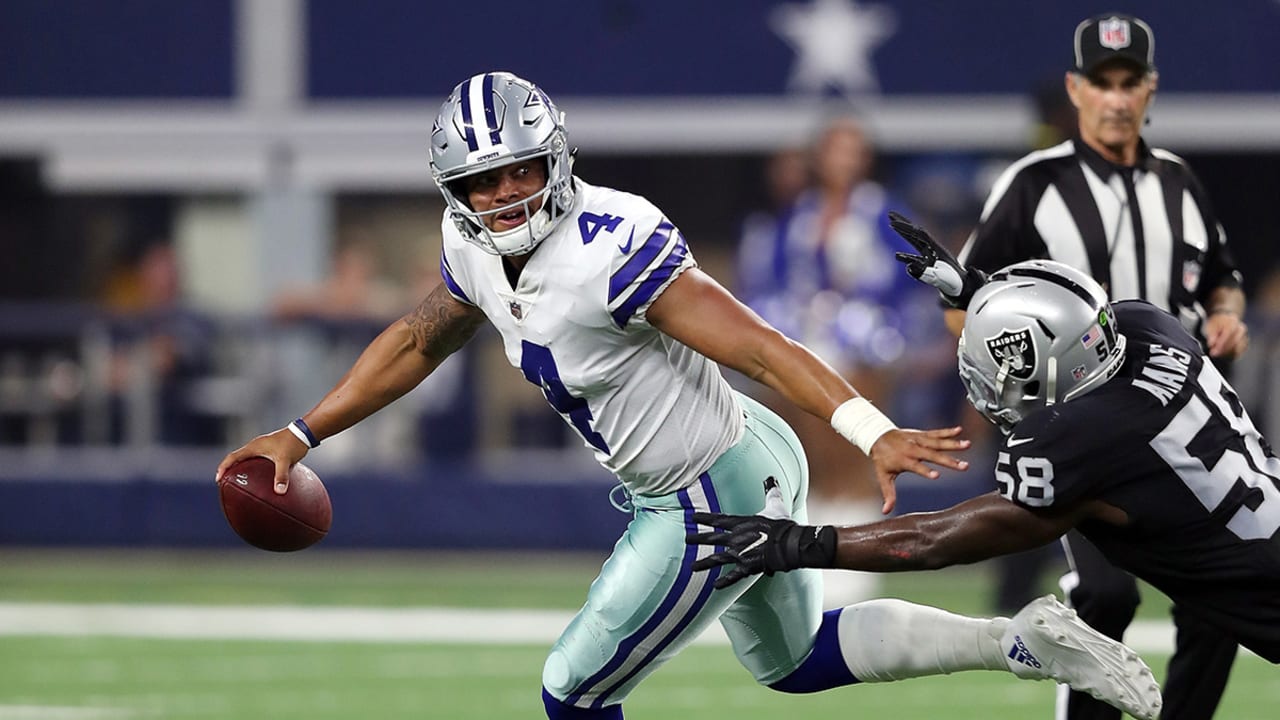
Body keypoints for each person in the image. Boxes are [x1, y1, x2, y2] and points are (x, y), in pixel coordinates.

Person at [215, 72, 1159, 720]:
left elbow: (758, 345)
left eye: (518, 169)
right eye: (481, 178)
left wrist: (867, 428)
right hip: (724, 459)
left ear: (555, 159)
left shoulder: (608, 245)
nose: (504, 192)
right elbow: (420, 340)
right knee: (792, 663)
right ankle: (1024, 642)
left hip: (707, 491)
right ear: (453, 187)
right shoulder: (473, 245)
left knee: (572, 688)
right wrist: (301, 433)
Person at [687, 253, 1280, 676]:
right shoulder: (1149, 328)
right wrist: (980, 292)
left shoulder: (1083, 435)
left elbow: (936, 541)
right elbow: (1072, 316)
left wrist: (803, 543)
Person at [950, 14, 1249, 720]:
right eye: (1102, 83)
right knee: (1107, 596)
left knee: (1219, 605)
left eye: (1129, 82)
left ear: (1150, 89)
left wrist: (1228, 312)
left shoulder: (1178, 181)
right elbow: (968, 305)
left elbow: (1222, 278)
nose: (1117, 98)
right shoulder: (1032, 183)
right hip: (1085, 430)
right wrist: (1021, 401)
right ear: (1075, 89)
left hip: (1181, 431)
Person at [735, 117, 939, 606]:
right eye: (834, 150)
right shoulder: (799, 214)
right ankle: (816, 544)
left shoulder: (882, 211)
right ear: (819, 157)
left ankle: (862, 547)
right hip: (809, 338)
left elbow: (914, 273)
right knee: (803, 443)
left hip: (866, 341)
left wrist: (877, 322)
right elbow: (776, 278)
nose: (843, 161)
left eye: (853, 151)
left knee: (856, 442)